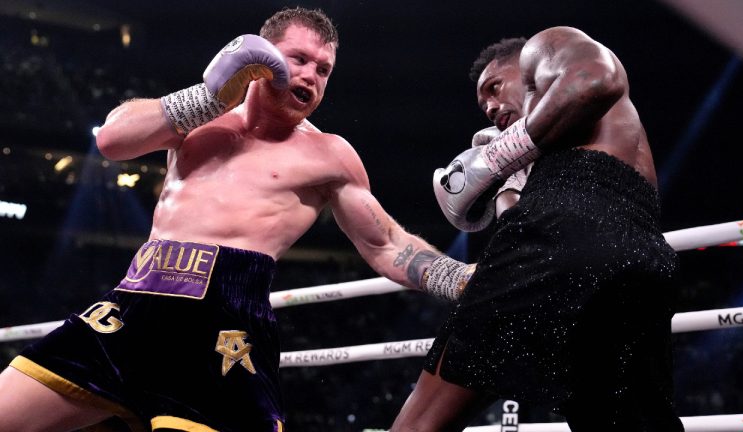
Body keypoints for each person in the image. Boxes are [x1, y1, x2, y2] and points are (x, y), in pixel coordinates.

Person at [0, 7, 474, 432]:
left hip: (224, 319)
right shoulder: (194, 119)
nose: (310, 76)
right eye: (299, 59)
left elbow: (386, 244)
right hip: (135, 302)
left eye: (324, 70)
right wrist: (208, 97)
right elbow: (111, 141)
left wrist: (464, 280)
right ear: (261, 56)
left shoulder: (329, 154)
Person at [391, 27, 684, 432]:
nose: (491, 107)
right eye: (484, 105)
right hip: (644, 255)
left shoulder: (546, 45)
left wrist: (497, 156)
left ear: (521, 65)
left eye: (494, 87)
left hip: (564, 228)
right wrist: (508, 181)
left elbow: (596, 80)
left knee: (419, 425)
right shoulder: (556, 139)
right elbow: (517, 224)